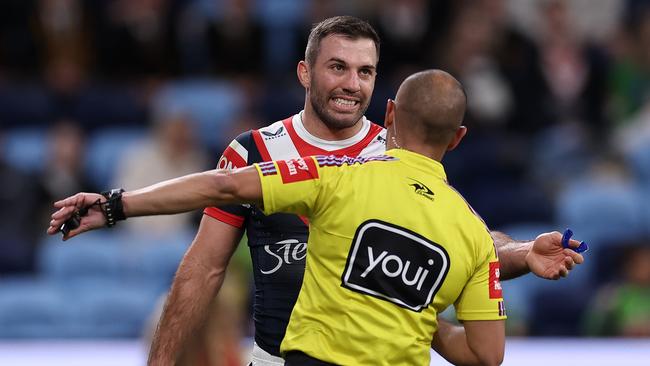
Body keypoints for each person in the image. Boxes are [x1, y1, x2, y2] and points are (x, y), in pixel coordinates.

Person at [60, 16, 584, 366]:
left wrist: (520, 252)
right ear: (304, 72)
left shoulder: (396, 156)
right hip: (276, 356)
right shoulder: (255, 151)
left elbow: (466, 241)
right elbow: (204, 269)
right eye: (338, 67)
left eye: (365, 72)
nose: (352, 84)